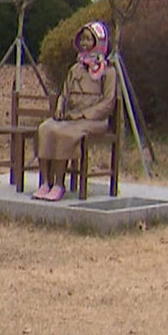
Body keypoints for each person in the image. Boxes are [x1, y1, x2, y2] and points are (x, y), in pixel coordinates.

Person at [32, 20, 117, 202]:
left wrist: (83, 114)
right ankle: (45, 182)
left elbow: (108, 103)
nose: (85, 44)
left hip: (93, 121)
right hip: (70, 117)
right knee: (45, 129)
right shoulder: (75, 69)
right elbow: (64, 93)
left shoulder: (108, 72)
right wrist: (60, 108)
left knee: (65, 134)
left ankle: (59, 184)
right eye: (83, 40)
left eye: (89, 40)